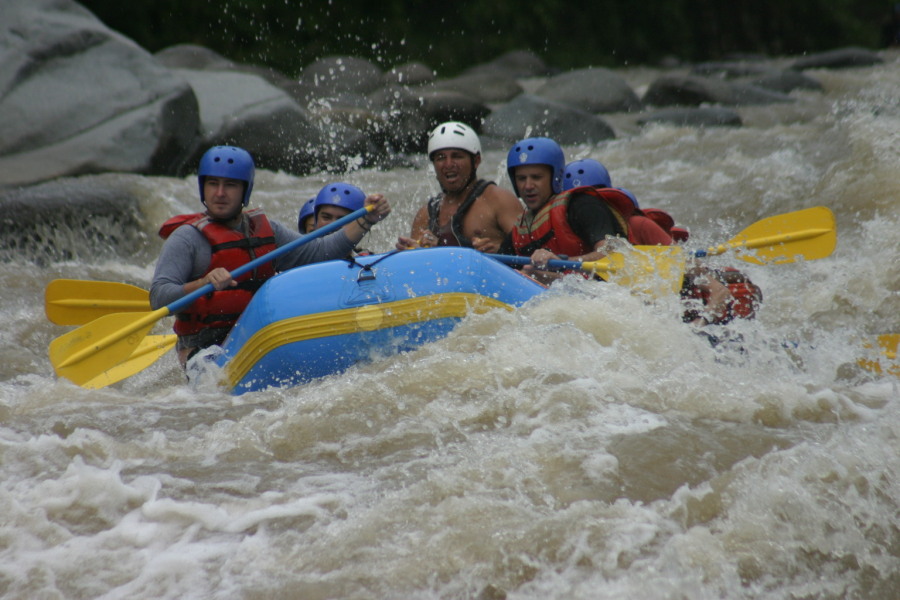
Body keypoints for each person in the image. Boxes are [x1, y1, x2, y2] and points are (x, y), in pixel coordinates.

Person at [151, 145, 390, 367]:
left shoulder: (266, 230)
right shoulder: (186, 238)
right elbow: (159, 298)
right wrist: (202, 283)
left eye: (230, 185)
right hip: (204, 349)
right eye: (213, 183)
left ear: (246, 189)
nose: (220, 193)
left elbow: (320, 253)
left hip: (256, 337)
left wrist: (365, 219)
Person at [560, 156, 758, 328]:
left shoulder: (638, 225)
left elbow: (681, 262)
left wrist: (702, 321)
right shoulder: (582, 238)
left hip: (693, 306)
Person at [499, 137, 674, 284]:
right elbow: (498, 266)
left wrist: (562, 263)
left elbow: (613, 251)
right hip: (560, 293)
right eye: (521, 178)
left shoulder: (581, 204)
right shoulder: (520, 228)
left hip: (602, 292)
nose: (528, 186)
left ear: (556, 177)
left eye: (536, 177)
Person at [395, 121, 523, 253]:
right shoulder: (425, 216)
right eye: (441, 158)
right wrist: (418, 252)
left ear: (476, 161)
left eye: (457, 156)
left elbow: (529, 252)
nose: (449, 164)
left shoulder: (499, 201)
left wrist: (501, 250)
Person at [312, 182, 372, 256]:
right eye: (326, 217)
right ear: (316, 220)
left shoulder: (368, 261)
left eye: (343, 220)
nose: (333, 225)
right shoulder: (300, 258)